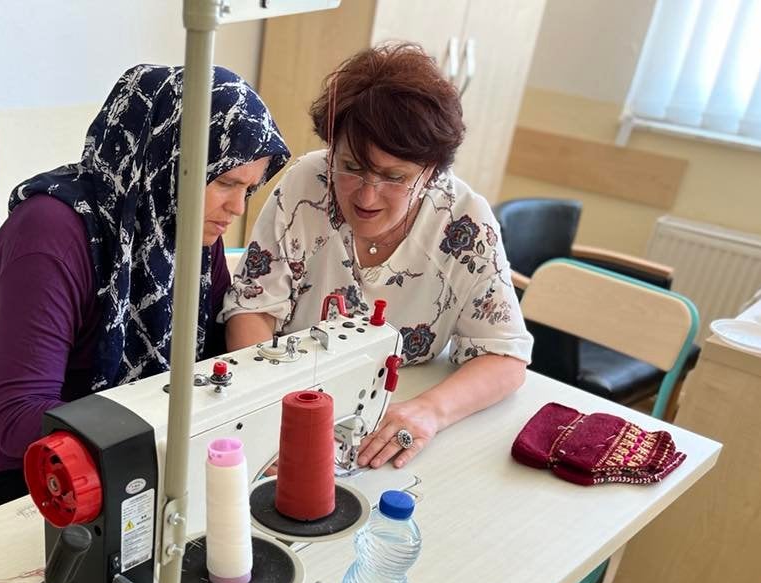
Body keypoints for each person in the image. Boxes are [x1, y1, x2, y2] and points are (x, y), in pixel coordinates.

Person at [0, 65, 289, 513]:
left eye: (248, 189)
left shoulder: (184, 225)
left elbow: (212, 357)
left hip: (144, 450)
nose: (236, 208)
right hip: (35, 469)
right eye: (226, 182)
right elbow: (21, 417)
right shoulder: (49, 234)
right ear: (168, 159)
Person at [223, 43, 532, 471]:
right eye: (350, 166)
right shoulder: (306, 184)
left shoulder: (464, 223)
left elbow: (505, 357)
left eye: (394, 177)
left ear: (432, 171)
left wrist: (428, 411)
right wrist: (269, 408)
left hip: (398, 406)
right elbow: (252, 308)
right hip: (293, 394)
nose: (366, 196)